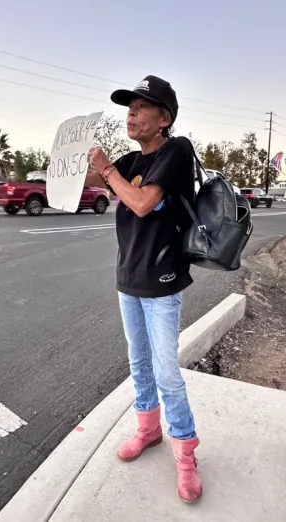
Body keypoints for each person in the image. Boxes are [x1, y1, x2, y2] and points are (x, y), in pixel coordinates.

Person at [86, 75, 202, 503]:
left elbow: (141, 202)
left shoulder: (176, 150)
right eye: (128, 108)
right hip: (128, 277)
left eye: (141, 107)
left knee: (167, 372)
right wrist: (74, 158)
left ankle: (186, 455)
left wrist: (107, 169)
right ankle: (148, 431)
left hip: (162, 279)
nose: (130, 114)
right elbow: (88, 183)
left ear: (164, 118)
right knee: (139, 363)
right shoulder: (129, 161)